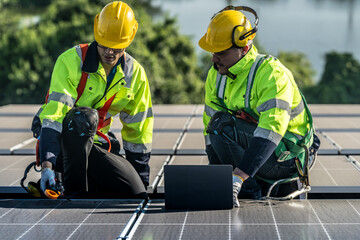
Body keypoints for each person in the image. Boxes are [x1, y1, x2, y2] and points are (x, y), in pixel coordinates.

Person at [198, 6, 320, 207]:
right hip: (260, 150)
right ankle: (245, 184)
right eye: (212, 51)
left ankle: (249, 192)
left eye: (220, 52)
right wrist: (217, 175)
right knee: (218, 125)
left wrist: (237, 178)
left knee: (223, 126)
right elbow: (209, 130)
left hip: (288, 157)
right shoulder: (216, 74)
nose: (213, 59)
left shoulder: (271, 74)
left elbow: (270, 132)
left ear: (244, 48)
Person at [32, 1, 153, 199]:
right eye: (104, 44)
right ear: (97, 32)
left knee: (134, 191)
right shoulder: (70, 62)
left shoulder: (135, 75)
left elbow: (139, 131)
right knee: (84, 118)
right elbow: (54, 116)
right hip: (63, 144)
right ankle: (74, 192)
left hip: (96, 144)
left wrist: (141, 181)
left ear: (129, 39)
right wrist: (47, 166)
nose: (109, 52)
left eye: (117, 47)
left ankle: (90, 185)